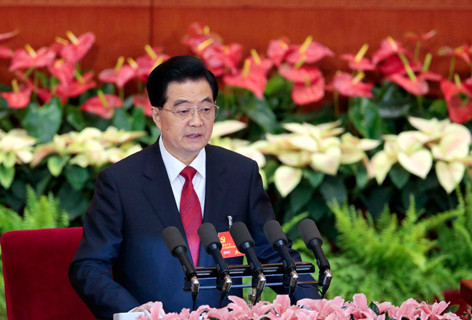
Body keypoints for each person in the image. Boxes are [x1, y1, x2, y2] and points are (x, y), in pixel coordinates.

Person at [69, 55, 319, 320]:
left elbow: (273, 254)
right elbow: (89, 266)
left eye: (206, 109)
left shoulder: (240, 174)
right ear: (156, 115)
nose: (197, 121)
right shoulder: (120, 182)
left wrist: (312, 306)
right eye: (183, 110)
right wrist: (132, 313)